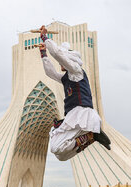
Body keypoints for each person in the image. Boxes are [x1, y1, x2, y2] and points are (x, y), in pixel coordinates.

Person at [38, 25, 111, 161]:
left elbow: (58, 54)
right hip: (73, 117)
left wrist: (45, 38)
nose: (61, 64)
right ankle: (90, 137)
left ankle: (91, 135)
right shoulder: (67, 78)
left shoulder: (76, 72)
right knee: (61, 156)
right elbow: (50, 73)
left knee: (55, 148)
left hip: (82, 115)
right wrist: (43, 54)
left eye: (64, 61)